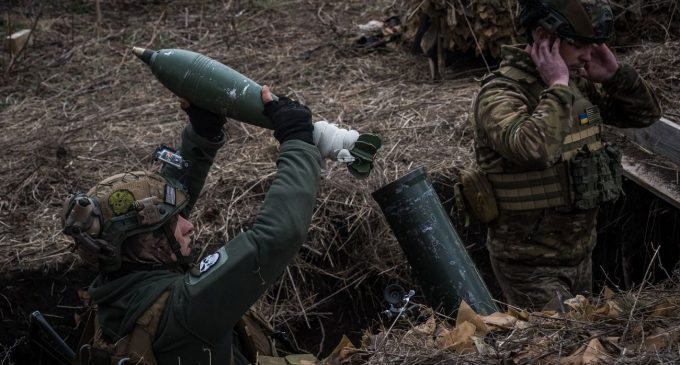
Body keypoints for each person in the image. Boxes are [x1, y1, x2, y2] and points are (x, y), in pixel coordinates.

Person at [61, 86, 321, 364]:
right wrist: (297, 142)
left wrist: (202, 135)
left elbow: (159, 210)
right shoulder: (184, 308)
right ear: (140, 244)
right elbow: (278, 236)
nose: (190, 225)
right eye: (174, 223)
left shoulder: (116, 286)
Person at [471, 0, 661, 310]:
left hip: (581, 253)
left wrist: (614, 75)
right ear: (544, 37)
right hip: (529, 266)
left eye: (593, 45)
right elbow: (532, 150)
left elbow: (645, 114)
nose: (588, 55)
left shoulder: (577, 86)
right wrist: (557, 85)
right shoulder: (501, 93)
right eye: (580, 45)